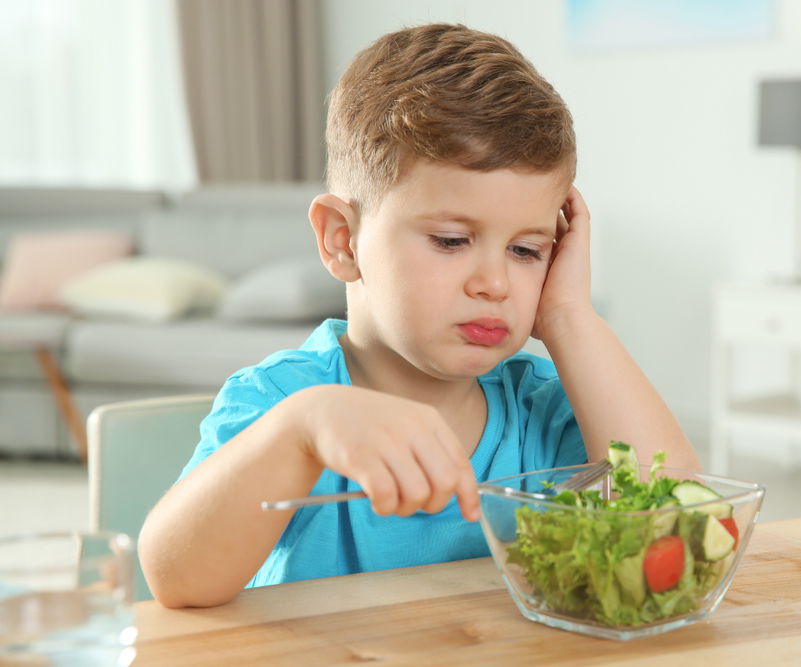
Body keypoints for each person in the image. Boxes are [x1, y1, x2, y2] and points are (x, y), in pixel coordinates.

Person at [138, 23, 699, 609]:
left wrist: (568, 316)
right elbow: (177, 579)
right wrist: (301, 431)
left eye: (527, 250)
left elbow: (678, 524)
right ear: (342, 241)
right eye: (452, 241)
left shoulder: (548, 410)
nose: (495, 283)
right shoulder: (284, 404)